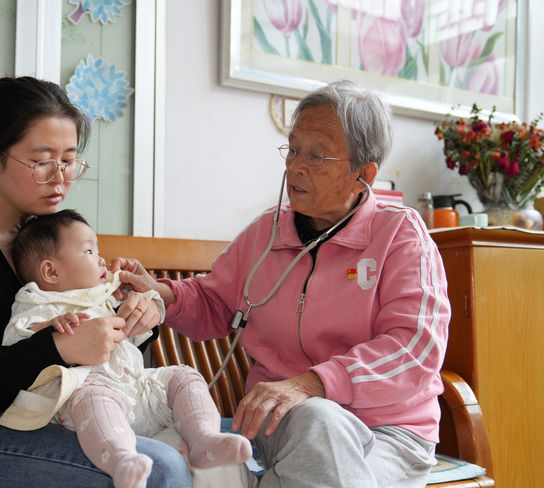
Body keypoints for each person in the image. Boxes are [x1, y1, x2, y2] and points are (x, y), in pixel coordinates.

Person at [114, 80, 451, 488]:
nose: (295, 167)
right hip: (280, 428)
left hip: (386, 434)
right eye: (292, 150)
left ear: (363, 174)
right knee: (177, 448)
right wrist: (159, 293)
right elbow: (214, 301)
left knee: (318, 422)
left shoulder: (400, 235)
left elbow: (414, 348)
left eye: (316, 156)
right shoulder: (268, 233)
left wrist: (313, 384)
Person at [0, 76, 192, 487]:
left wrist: (134, 319)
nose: (60, 178)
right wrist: (58, 347)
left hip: (67, 412)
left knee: (192, 444)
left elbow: (108, 364)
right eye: (42, 162)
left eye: (69, 160)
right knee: (162, 467)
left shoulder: (56, 237)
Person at [0, 209, 252, 488]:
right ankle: (122, 460)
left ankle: (204, 438)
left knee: (183, 376)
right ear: (51, 271)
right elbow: (14, 342)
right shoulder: (38, 302)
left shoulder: (106, 297)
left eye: (98, 251)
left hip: (137, 391)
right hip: (93, 402)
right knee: (92, 396)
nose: (101, 259)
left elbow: (139, 329)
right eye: (89, 251)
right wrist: (48, 328)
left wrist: (144, 305)